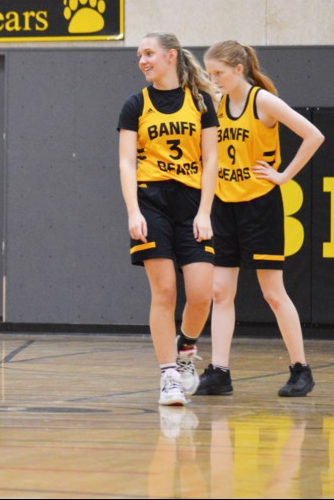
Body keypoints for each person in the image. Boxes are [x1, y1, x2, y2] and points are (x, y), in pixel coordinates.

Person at [197, 40, 324, 397]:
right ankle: (220, 373)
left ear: (239, 69)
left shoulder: (262, 102)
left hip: (259, 206)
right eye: (211, 74)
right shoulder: (216, 107)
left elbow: (314, 135)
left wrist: (284, 175)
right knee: (220, 292)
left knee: (272, 293)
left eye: (219, 73)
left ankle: (301, 369)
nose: (215, 80)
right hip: (224, 204)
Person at [117, 32, 219, 406]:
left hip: (192, 202)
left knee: (201, 294)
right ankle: (168, 377)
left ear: (171, 56)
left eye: (149, 53)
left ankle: (185, 350)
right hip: (151, 200)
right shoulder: (135, 105)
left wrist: (206, 211)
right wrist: (133, 210)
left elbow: (211, 160)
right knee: (164, 292)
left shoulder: (201, 102)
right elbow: (127, 162)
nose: (142, 60)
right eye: (139, 55)